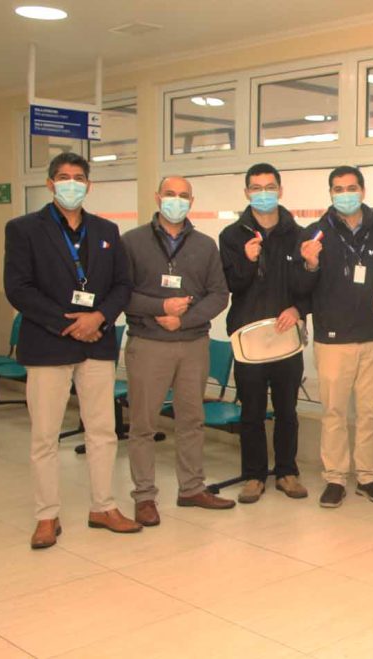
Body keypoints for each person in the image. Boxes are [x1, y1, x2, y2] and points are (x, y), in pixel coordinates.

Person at [4, 152, 141, 548]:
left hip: (97, 344)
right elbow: (18, 288)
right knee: (45, 436)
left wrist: (98, 318)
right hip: (48, 344)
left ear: (88, 185)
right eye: (63, 177)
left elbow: (123, 285)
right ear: (50, 184)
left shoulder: (106, 230)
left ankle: (103, 507)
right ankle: (47, 516)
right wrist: (71, 324)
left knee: (102, 431)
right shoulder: (24, 229)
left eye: (78, 177)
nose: (71, 184)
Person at [122, 176, 234, 525]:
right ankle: (144, 496)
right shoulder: (132, 242)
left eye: (183, 196)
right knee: (143, 424)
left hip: (193, 344)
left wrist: (183, 320)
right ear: (158, 198)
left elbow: (219, 294)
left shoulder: (205, 245)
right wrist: (161, 308)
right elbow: (120, 293)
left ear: (192, 201)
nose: (177, 200)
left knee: (191, 420)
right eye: (170, 194)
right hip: (148, 344)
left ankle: (191, 489)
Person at [301, 165, 373, 508]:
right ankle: (335, 478)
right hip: (333, 339)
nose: (346, 194)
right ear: (330, 193)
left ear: (363, 190)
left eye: (351, 187)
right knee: (334, 412)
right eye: (338, 189)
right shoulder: (315, 234)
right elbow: (301, 288)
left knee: (370, 413)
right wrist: (310, 265)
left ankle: (368, 477)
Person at [219, 163, 313, 504]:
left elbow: (308, 286)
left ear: (280, 190)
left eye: (269, 187)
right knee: (252, 411)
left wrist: (298, 309)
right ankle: (254, 476)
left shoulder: (298, 234)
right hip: (249, 340)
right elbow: (231, 284)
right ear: (247, 192)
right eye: (256, 188)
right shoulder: (231, 236)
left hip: (287, 337)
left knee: (287, 410)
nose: (263, 193)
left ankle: (287, 472)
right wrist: (246, 260)